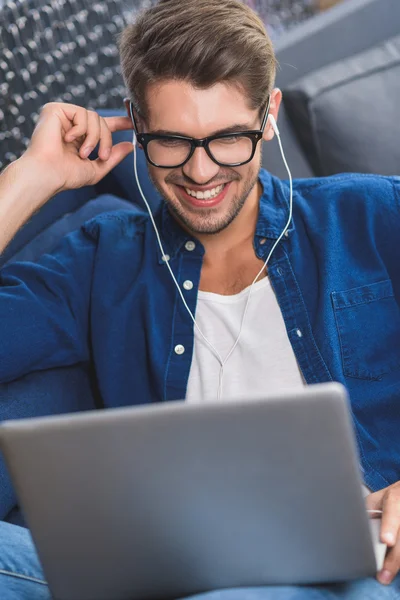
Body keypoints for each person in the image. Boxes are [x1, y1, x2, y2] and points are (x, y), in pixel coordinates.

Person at [0, 0, 399, 598]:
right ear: (135, 125)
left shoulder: (371, 216)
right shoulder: (102, 261)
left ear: (268, 116)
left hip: (358, 572)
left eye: (227, 139)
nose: (201, 172)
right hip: (168, 570)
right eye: (172, 142)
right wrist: (33, 175)